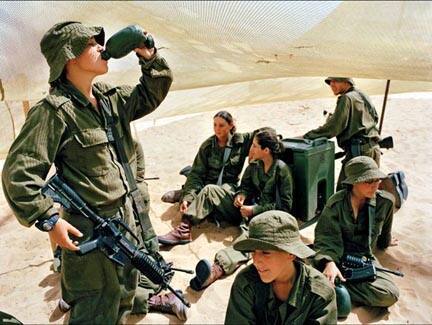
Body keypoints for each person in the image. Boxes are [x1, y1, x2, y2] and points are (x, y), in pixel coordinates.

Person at [1, 21, 188, 323]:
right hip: (90, 229)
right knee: (97, 305)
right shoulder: (53, 111)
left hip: (125, 219)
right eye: (91, 43)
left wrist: (149, 57)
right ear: (69, 56)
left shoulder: (109, 98)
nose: (102, 47)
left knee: (126, 292)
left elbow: (150, 94)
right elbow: (18, 174)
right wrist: (49, 220)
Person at [189, 127, 293, 290]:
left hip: (265, 220)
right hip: (244, 212)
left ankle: (217, 269)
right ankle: (184, 226)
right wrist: (241, 195)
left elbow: (284, 208)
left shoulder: (281, 171)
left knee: (248, 242)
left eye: (254, 146)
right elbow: (244, 186)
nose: (250, 149)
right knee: (211, 191)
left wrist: (254, 210)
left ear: (265, 150)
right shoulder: (254, 166)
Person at [313, 156, 399, 311]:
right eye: (368, 181)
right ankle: (332, 281)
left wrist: (386, 242)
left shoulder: (385, 202)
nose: (375, 185)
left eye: (377, 180)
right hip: (337, 256)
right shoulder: (336, 203)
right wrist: (329, 262)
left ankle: (337, 286)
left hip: (364, 259)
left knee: (390, 294)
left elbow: (384, 235)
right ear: (353, 182)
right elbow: (325, 237)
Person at [157, 111, 257, 245]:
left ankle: (184, 225)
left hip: (227, 186)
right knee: (197, 183)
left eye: (221, 125)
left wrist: (253, 151)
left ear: (231, 125)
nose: (217, 129)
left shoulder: (241, 141)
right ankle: (184, 215)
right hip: (206, 183)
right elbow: (197, 175)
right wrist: (187, 198)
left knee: (209, 191)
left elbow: (264, 134)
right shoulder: (207, 146)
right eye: (215, 125)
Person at [224, 210, 337, 324]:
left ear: (291, 254)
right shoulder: (246, 284)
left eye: (265, 252)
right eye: (253, 252)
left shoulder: (320, 293)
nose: (256, 260)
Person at [303, 77, 381, 190]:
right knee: (368, 190)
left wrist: (308, 135)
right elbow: (375, 118)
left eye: (335, 81)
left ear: (346, 82)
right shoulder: (362, 94)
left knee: (345, 192)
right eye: (330, 82)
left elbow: (333, 128)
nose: (331, 85)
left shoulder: (346, 98)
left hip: (359, 152)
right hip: (373, 149)